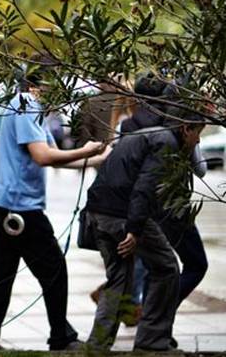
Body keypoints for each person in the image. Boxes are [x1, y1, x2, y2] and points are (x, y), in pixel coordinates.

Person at [0, 63, 107, 351]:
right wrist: (88, 150)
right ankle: (61, 337)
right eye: (56, 85)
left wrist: (98, 159)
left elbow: (58, 157)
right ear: (39, 85)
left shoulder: (34, 109)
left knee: (1, 274)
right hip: (19, 208)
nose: (61, 92)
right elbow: (43, 156)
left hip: (5, 203)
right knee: (54, 269)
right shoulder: (25, 104)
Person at [84, 108, 205, 351]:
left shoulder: (149, 135)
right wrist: (134, 230)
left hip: (99, 212)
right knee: (167, 267)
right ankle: (152, 341)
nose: (199, 140)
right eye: (198, 133)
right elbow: (145, 187)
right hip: (122, 215)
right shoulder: (166, 142)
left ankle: (97, 346)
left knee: (119, 280)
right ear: (185, 128)